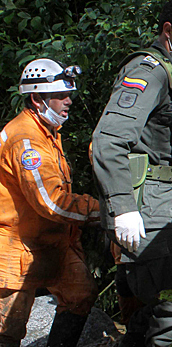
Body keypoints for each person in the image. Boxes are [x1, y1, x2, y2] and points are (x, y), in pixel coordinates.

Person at [91, 0, 172, 345]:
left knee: (156, 309)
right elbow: (108, 142)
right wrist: (124, 208)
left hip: (168, 209)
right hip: (145, 211)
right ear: (168, 32)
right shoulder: (148, 72)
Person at [0, 58, 100, 347]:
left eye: (69, 94)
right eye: (60, 96)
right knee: (8, 331)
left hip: (51, 242)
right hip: (16, 247)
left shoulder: (46, 132)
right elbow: (52, 203)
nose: (68, 101)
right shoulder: (26, 140)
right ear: (37, 99)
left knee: (80, 293)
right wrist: (104, 212)